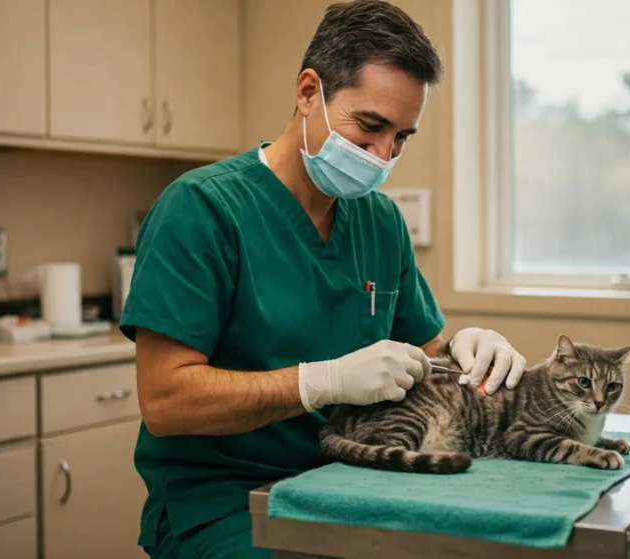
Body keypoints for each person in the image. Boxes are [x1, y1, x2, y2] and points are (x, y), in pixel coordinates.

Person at [119, 1, 528, 556]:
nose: (383, 156)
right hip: (228, 501)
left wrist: (467, 349)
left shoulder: (379, 221)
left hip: (355, 478)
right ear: (309, 92)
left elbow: (424, 349)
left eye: (402, 137)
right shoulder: (201, 208)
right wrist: (321, 381)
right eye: (371, 126)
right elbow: (166, 401)